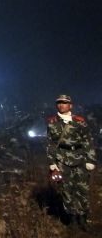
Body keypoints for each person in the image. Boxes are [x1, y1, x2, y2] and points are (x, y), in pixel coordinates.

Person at [46, 94, 96, 230]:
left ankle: (84, 218)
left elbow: (88, 141)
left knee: (83, 190)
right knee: (67, 191)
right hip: (62, 161)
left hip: (80, 159)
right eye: (59, 103)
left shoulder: (79, 121)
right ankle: (72, 219)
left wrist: (90, 159)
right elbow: (50, 143)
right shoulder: (52, 122)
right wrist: (52, 162)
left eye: (64, 102)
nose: (61, 105)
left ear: (70, 105)